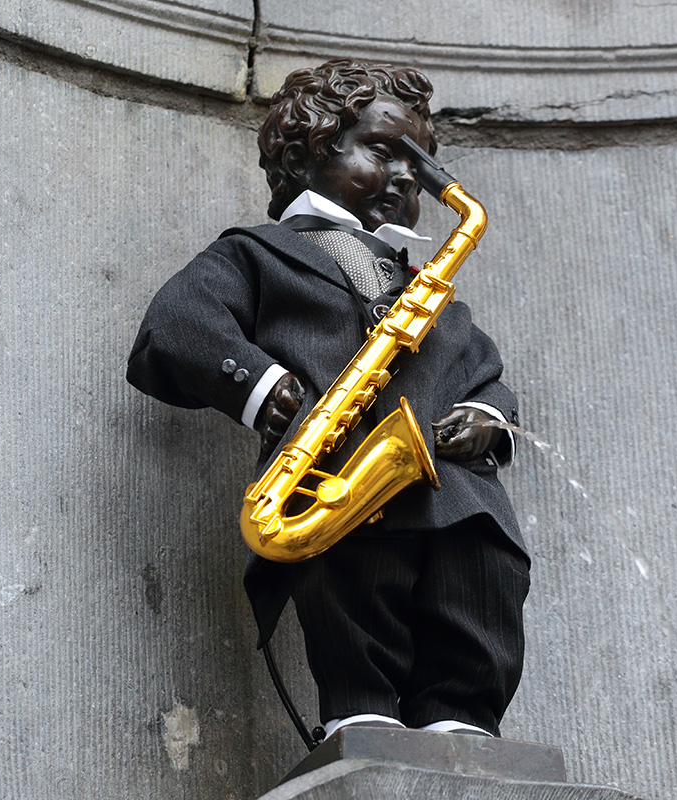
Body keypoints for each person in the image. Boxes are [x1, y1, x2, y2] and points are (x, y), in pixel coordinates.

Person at [127, 59, 530, 739]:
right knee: (351, 580)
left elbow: (482, 367)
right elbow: (175, 324)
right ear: (306, 149)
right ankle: (360, 705)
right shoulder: (259, 253)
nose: (408, 176)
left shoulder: (428, 291)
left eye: (421, 163)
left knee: (484, 582)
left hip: (454, 489)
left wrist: (488, 416)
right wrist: (258, 385)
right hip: (336, 474)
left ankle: (462, 716)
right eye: (383, 150)